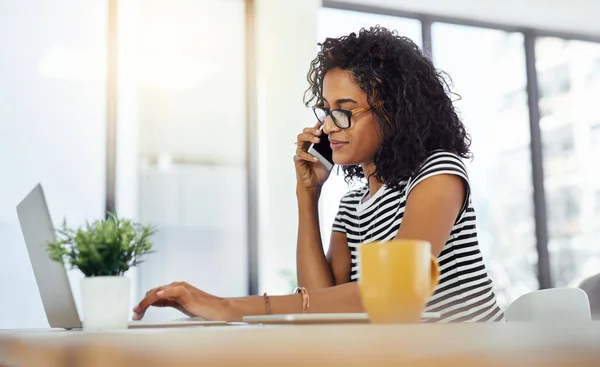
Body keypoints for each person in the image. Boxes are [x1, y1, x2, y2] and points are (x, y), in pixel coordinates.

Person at [133, 26, 504, 323]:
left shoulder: (438, 172)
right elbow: (323, 306)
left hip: (471, 352)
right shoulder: (354, 205)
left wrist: (230, 307)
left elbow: (396, 289)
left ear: (395, 112)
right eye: (326, 110)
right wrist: (307, 196)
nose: (328, 126)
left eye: (345, 110)